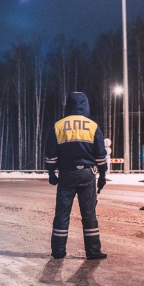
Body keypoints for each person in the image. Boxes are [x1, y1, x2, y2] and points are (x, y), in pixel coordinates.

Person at [44, 92, 108, 260]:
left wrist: (51, 173)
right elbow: (100, 155)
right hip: (87, 175)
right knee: (89, 214)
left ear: (68, 105)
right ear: (85, 105)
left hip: (66, 175)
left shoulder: (58, 126)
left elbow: (51, 154)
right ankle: (93, 251)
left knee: (62, 214)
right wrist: (102, 175)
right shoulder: (92, 126)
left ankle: (58, 251)